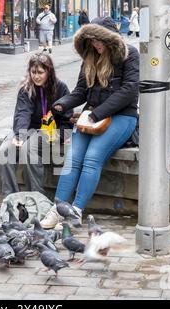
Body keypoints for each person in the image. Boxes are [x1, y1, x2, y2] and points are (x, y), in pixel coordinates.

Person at [40, 17, 139, 229]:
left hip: (122, 116)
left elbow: (129, 90)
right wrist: (60, 105)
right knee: (72, 159)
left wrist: (98, 114)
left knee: (92, 158)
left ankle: (76, 210)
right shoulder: (90, 59)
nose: (95, 44)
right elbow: (80, 92)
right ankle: (58, 209)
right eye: (92, 40)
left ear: (111, 38)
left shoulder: (130, 55)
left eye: (99, 39)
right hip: (91, 117)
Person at [0, 53, 73, 198]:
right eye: (33, 72)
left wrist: (63, 135)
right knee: (5, 151)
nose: (36, 76)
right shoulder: (26, 89)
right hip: (28, 129)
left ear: (48, 72)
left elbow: (67, 117)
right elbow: (22, 113)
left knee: (28, 149)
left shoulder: (60, 87)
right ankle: (10, 199)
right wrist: (20, 135)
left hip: (51, 132)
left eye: (40, 72)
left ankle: (36, 198)